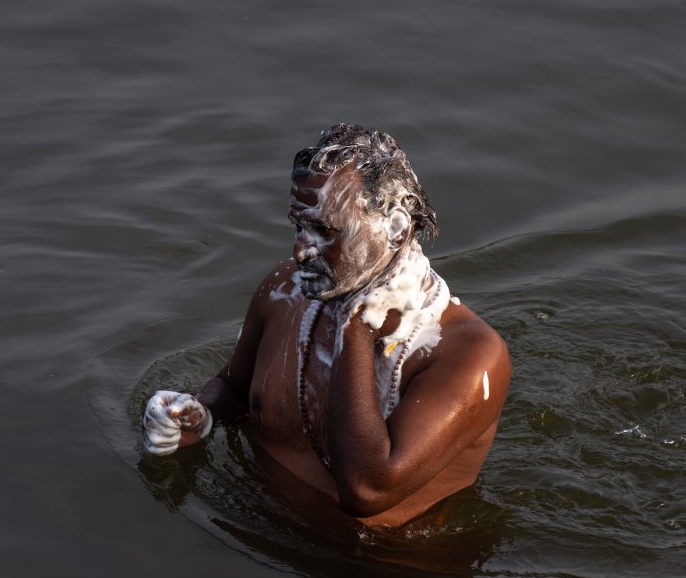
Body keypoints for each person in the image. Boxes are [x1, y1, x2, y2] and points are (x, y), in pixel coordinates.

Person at [142, 123, 511, 526]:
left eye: (324, 231)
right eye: (299, 226)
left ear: (396, 228)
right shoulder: (283, 290)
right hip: (255, 531)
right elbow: (234, 385)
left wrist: (357, 325)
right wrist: (200, 414)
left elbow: (367, 492)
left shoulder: (471, 356)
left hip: (382, 563)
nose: (300, 251)